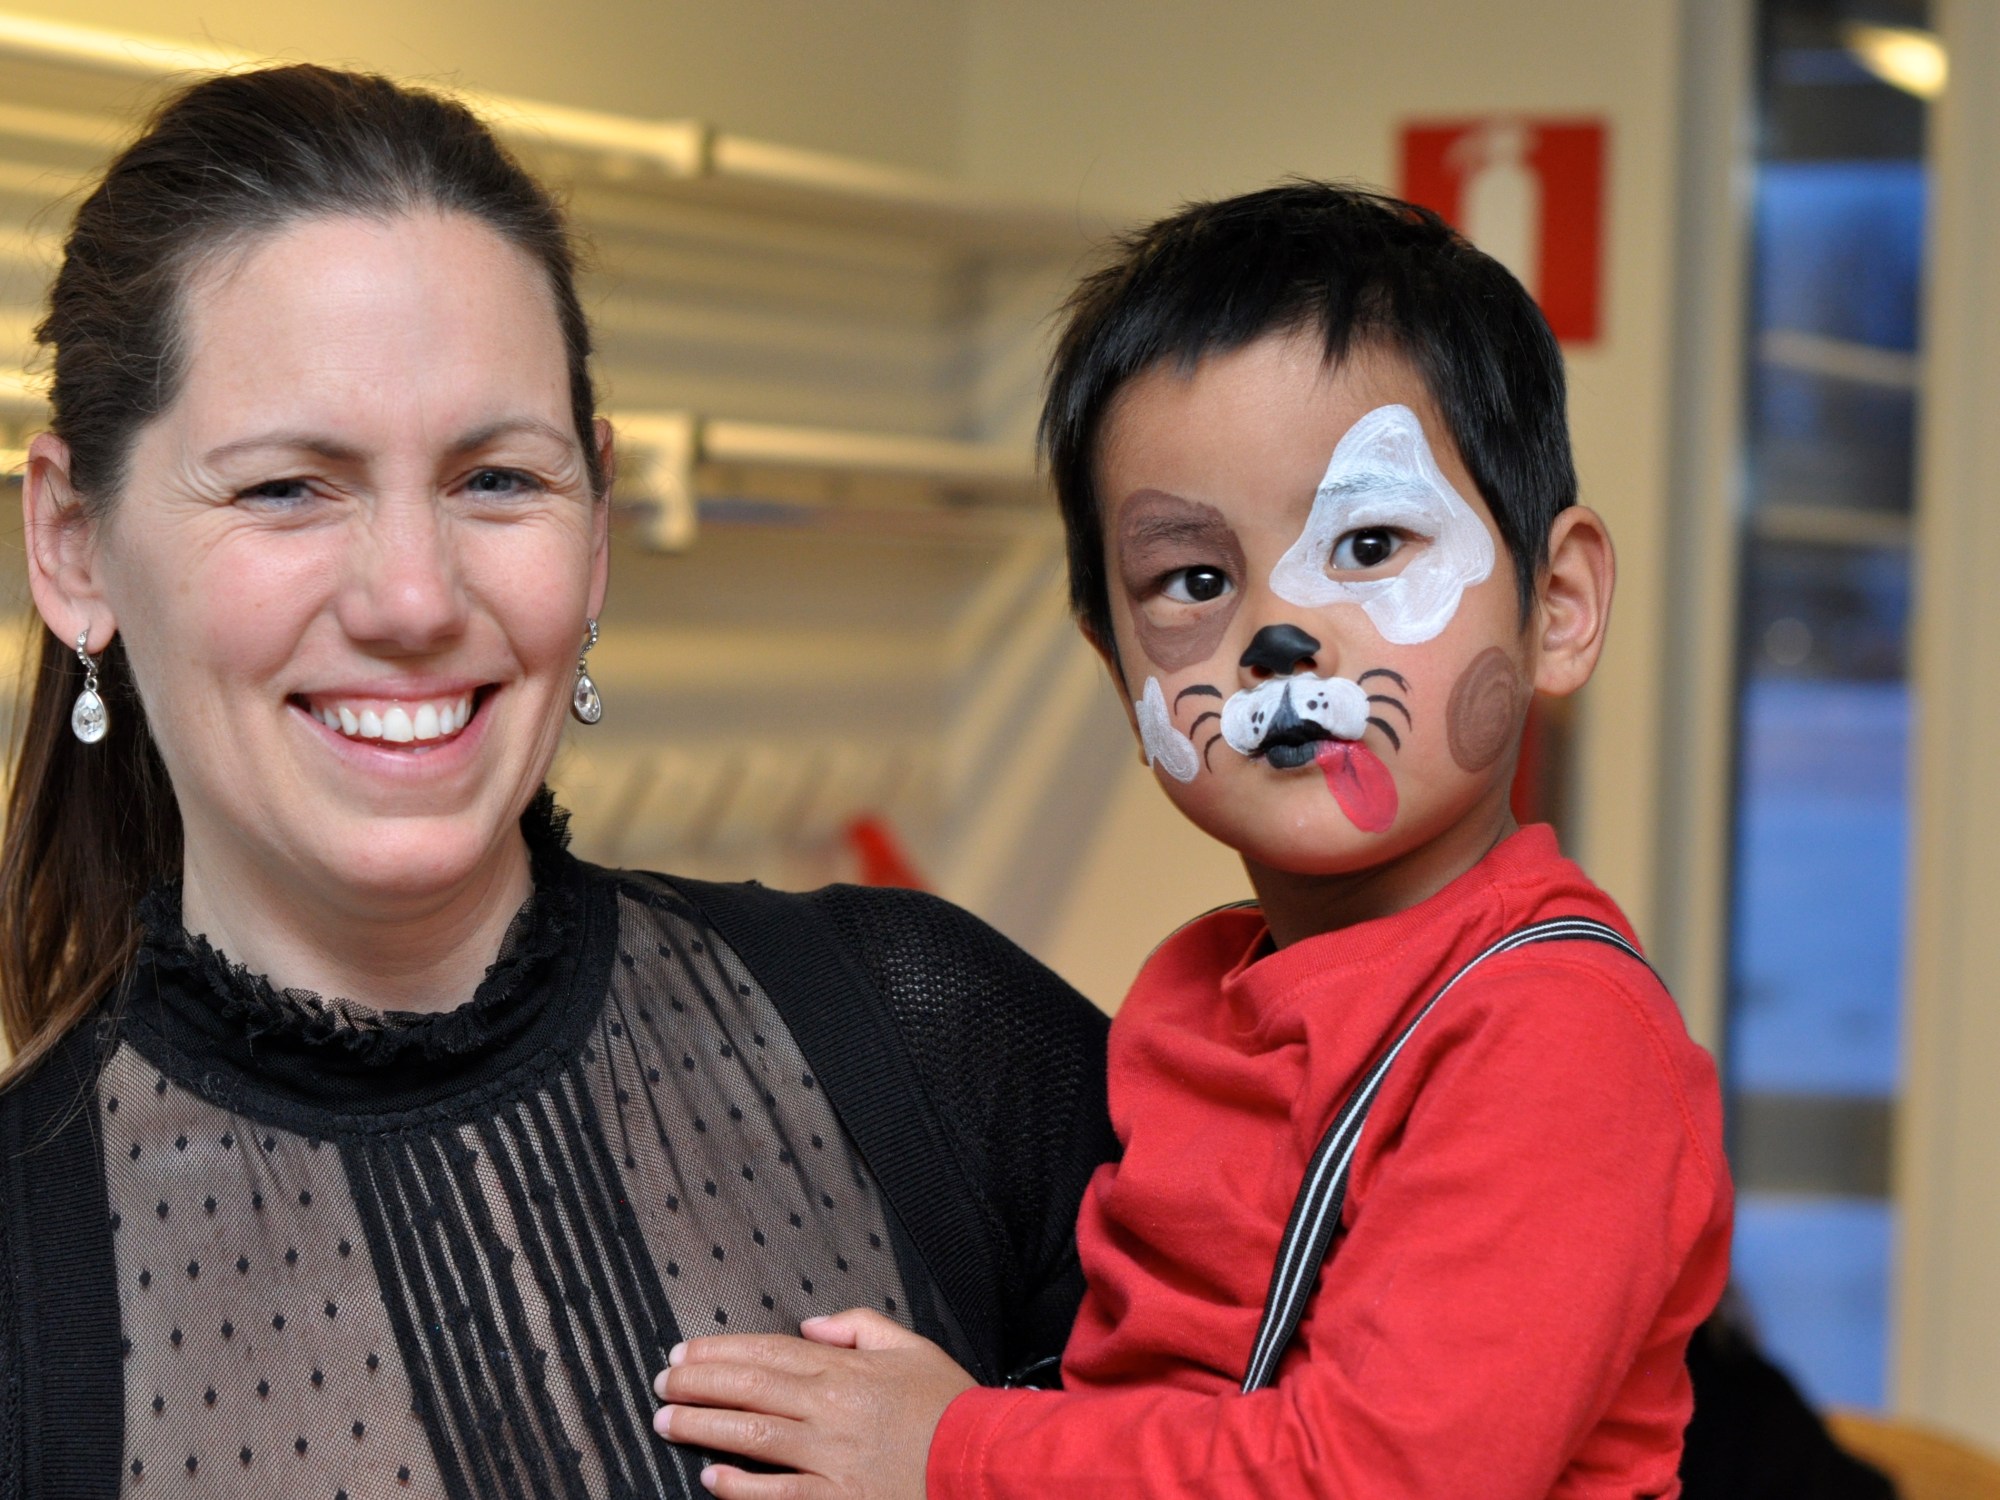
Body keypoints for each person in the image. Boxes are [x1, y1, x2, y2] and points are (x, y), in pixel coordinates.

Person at [0, 65, 1116, 1499]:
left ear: (593, 527)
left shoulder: (933, 1037)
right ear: (74, 547)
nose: (414, 597)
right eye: (287, 487)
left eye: (496, 480)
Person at [654, 183, 1734, 1498]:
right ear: (1122, 675)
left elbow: (1376, 1479)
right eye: (1195, 580)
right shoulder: (1197, 993)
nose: (1281, 635)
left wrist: (948, 1454)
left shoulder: (1554, 1036)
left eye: (1370, 542)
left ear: (1556, 606)